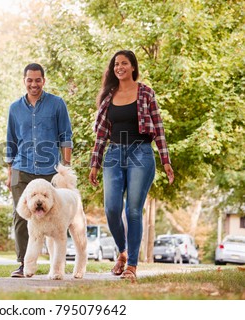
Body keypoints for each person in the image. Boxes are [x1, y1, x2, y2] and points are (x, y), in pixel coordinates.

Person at [88, 50, 174, 281]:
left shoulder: (145, 92)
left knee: (133, 210)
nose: (119, 67)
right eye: (116, 64)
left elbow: (158, 127)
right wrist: (94, 163)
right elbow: (101, 134)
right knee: (112, 209)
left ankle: (132, 266)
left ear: (133, 67)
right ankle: (123, 252)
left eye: (124, 63)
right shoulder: (109, 96)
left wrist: (165, 161)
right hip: (114, 154)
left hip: (141, 153)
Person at [5, 63, 73, 278]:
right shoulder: (14, 108)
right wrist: (9, 173)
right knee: (21, 214)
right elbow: (10, 141)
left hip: (49, 170)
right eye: (29, 80)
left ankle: (56, 265)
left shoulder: (57, 104)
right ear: (24, 80)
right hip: (20, 168)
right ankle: (24, 264)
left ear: (43, 80)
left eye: (37, 80)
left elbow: (66, 137)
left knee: (54, 216)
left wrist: (66, 167)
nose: (33, 84)